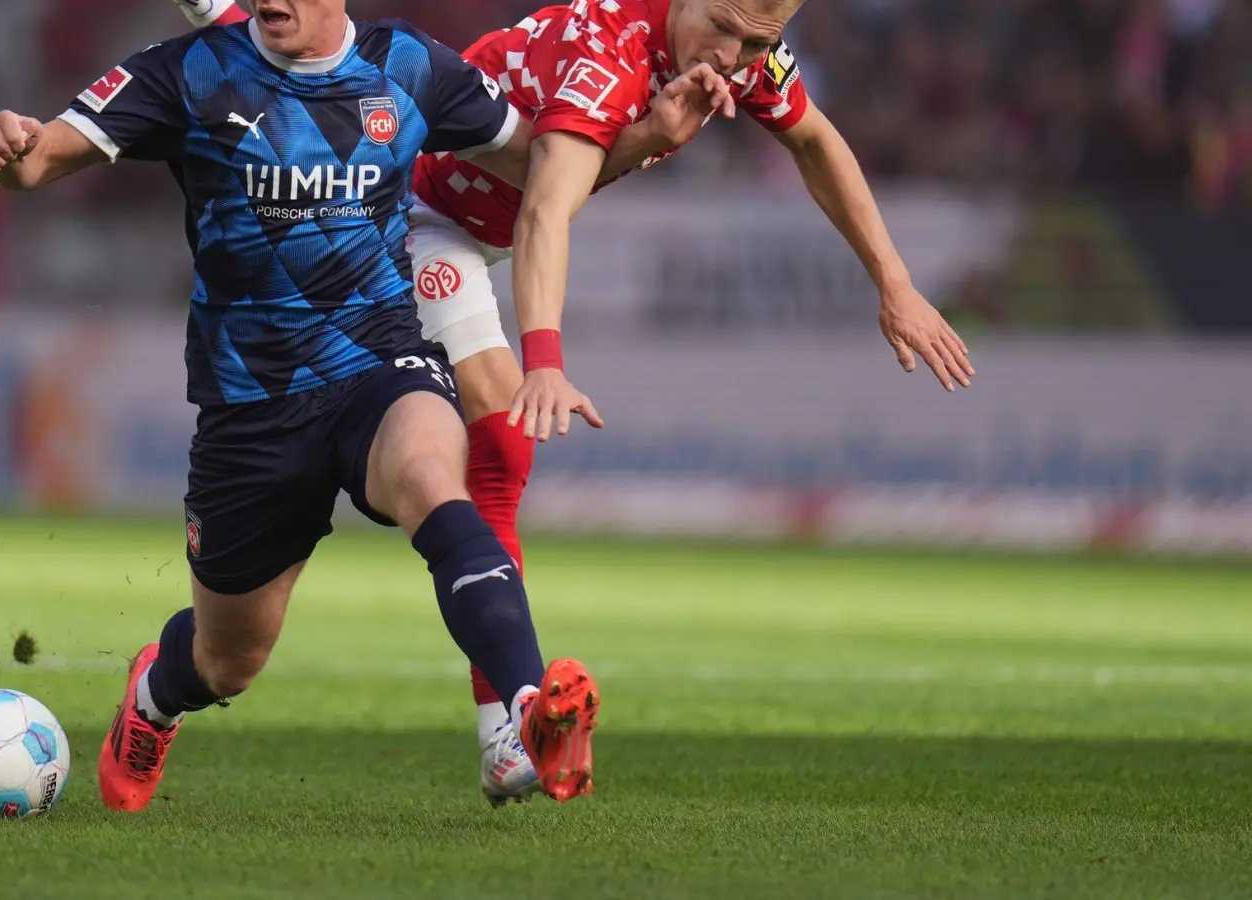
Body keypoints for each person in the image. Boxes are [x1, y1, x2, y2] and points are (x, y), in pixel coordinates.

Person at [175, 0, 978, 806]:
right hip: (412, 212)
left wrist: (895, 283)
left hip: (477, 228)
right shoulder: (610, 51)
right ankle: (507, 733)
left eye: (758, 42)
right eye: (723, 30)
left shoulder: (736, 51)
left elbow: (815, 140)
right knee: (501, 434)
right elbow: (545, 208)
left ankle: (505, 732)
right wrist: (545, 359)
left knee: (485, 460)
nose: (734, 55)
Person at [0, 0, 617, 811]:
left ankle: (528, 710)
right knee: (228, 659)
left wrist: (650, 131)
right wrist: (9, 148)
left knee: (431, 477)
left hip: (380, 364)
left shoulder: (411, 69)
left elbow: (549, 161)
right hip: (252, 410)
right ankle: (154, 699)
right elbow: (38, 161)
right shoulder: (191, 70)